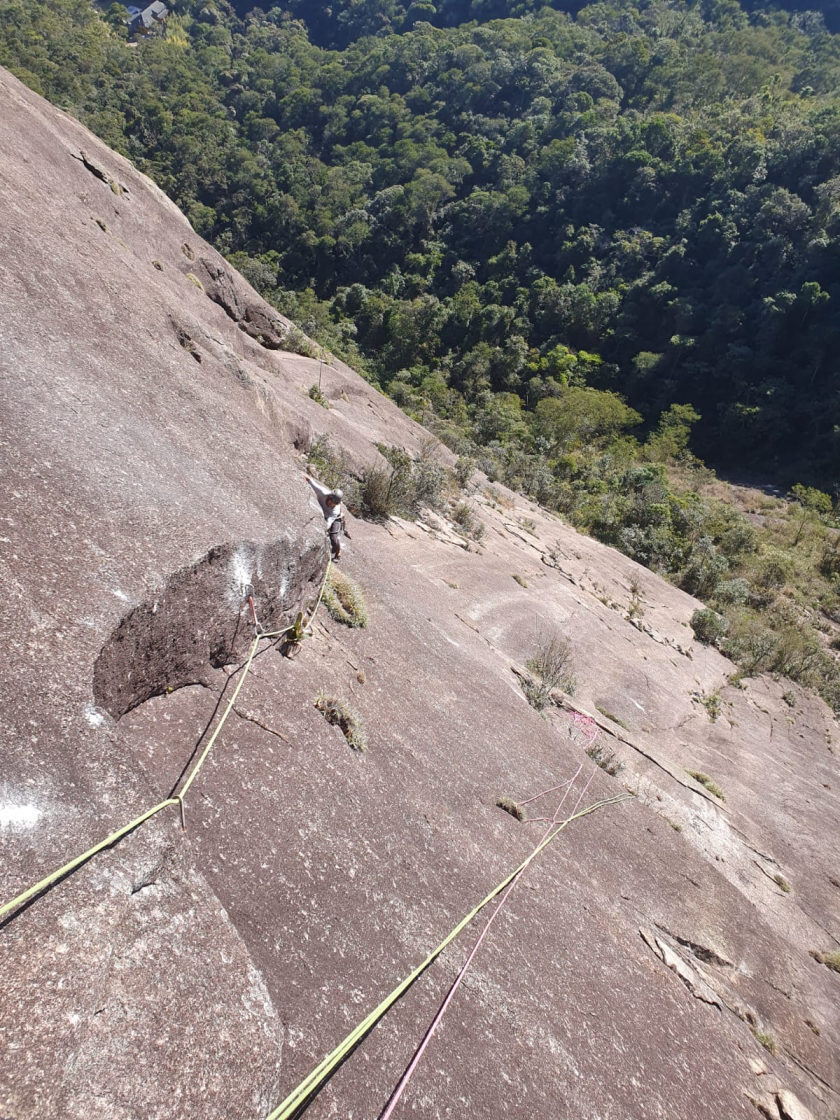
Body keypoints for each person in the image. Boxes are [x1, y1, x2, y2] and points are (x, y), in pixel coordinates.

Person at [305, 475, 346, 561]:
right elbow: (310, 480)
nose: (332, 504)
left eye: (335, 503)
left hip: (336, 519)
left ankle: (338, 552)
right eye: (332, 501)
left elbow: (329, 523)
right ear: (329, 496)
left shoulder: (335, 510)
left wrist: (324, 529)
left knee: (334, 538)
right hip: (323, 514)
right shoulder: (323, 492)